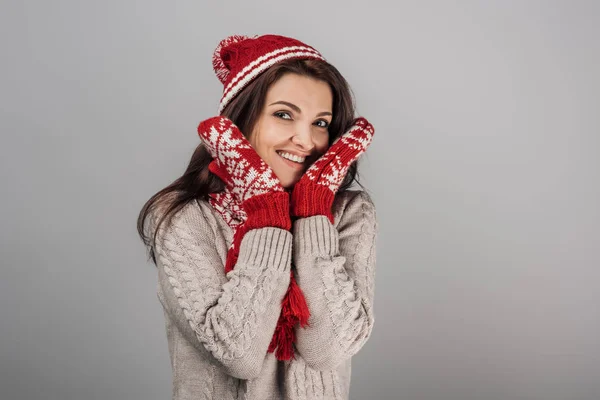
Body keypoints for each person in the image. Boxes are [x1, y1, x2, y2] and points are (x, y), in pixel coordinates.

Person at [137, 33, 378, 400]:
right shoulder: (183, 216)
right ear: (241, 119)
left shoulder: (348, 212)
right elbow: (238, 354)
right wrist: (267, 213)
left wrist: (313, 211)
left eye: (321, 123)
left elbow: (327, 348)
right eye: (284, 115)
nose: (307, 141)